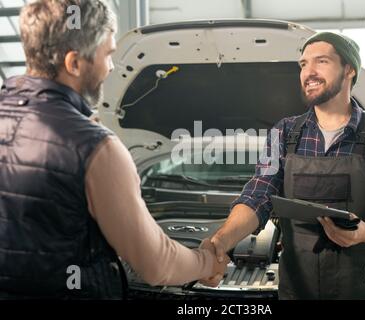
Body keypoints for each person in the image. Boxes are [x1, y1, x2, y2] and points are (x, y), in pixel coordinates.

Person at [0, 0, 228, 299]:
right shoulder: (94, 146)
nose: (110, 67)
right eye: (107, 54)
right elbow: (157, 265)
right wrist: (208, 262)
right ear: (74, 63)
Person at [209, 32, 365, 299]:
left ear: (349, 70)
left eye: (321, 61)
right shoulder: (284, 132)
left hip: (363, 285)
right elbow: (258, 196)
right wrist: (220, 242)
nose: (308, 72)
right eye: (302, 64)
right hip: (299, 288)